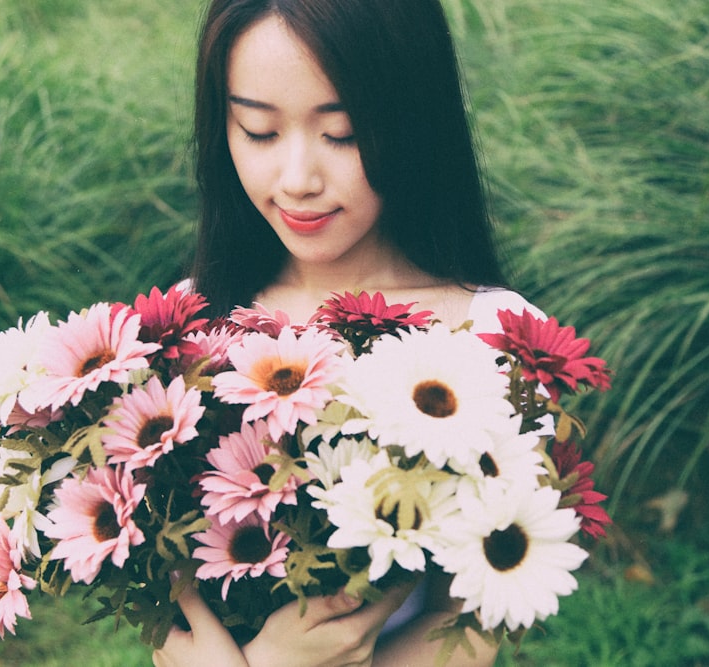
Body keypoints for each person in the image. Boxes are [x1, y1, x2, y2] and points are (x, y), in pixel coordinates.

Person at [154, 0, 540, 664]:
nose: (298, 180)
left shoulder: (492, 334)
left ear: (417, 122)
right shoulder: (187, 323)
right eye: (259, 131)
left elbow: (478, 612)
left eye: (343, 133)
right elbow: (155, 565)